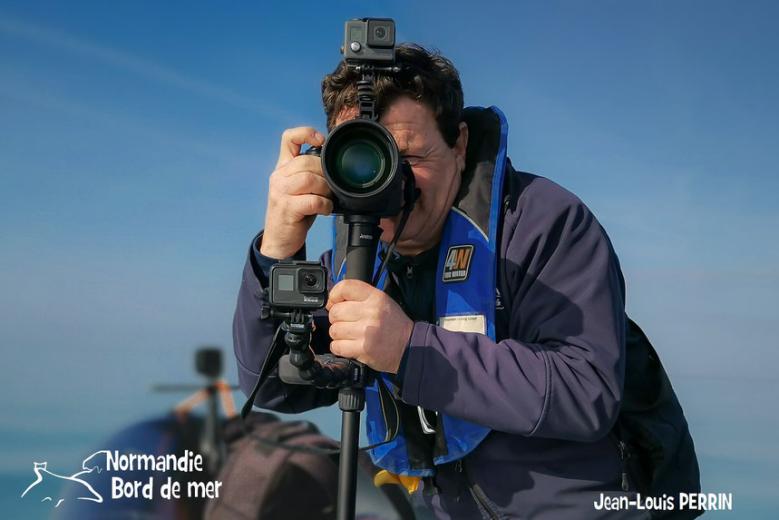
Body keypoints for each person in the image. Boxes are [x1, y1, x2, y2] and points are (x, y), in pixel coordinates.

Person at [233, 44, 701, 519]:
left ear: (458, 145)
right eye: (366, 162)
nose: (389, 184)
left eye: (410, 156)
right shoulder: (354, 261)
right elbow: (273, 387)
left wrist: (409, 349)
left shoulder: (544, 223)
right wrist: (276, 253)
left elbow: (587, 391)